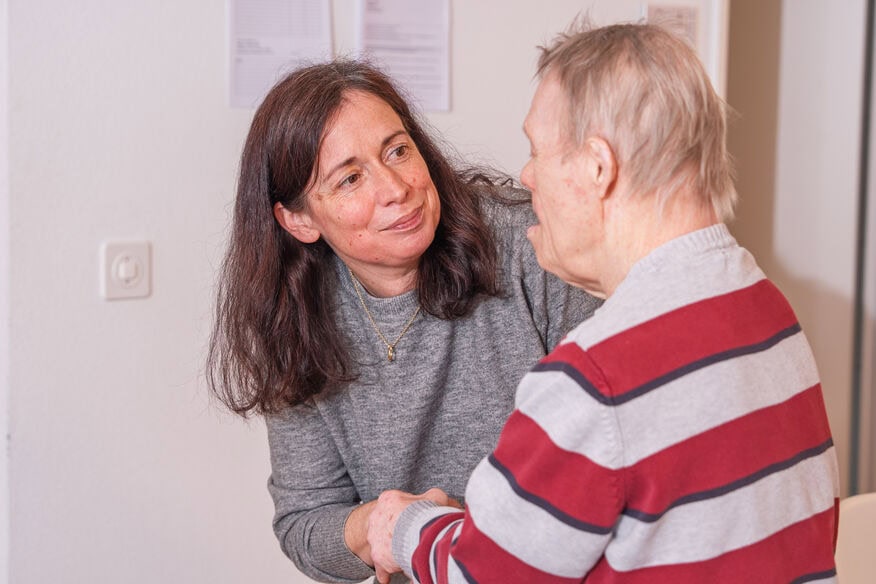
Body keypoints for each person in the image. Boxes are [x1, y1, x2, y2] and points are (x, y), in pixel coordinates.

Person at [366, 22, 841, 584]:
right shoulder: (766, 309)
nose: (526, 176)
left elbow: (483, 574)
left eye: (537, 151)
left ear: (597, 166)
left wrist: (406, 525)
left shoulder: (596, 380)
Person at [205, 59, 601, 584]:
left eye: (397, 150)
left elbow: (621, 432)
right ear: (299, 219)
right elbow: (304, 524)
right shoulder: (297, 321)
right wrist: (378, 524)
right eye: (350, 178)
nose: (395, 187)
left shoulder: (527, 245)